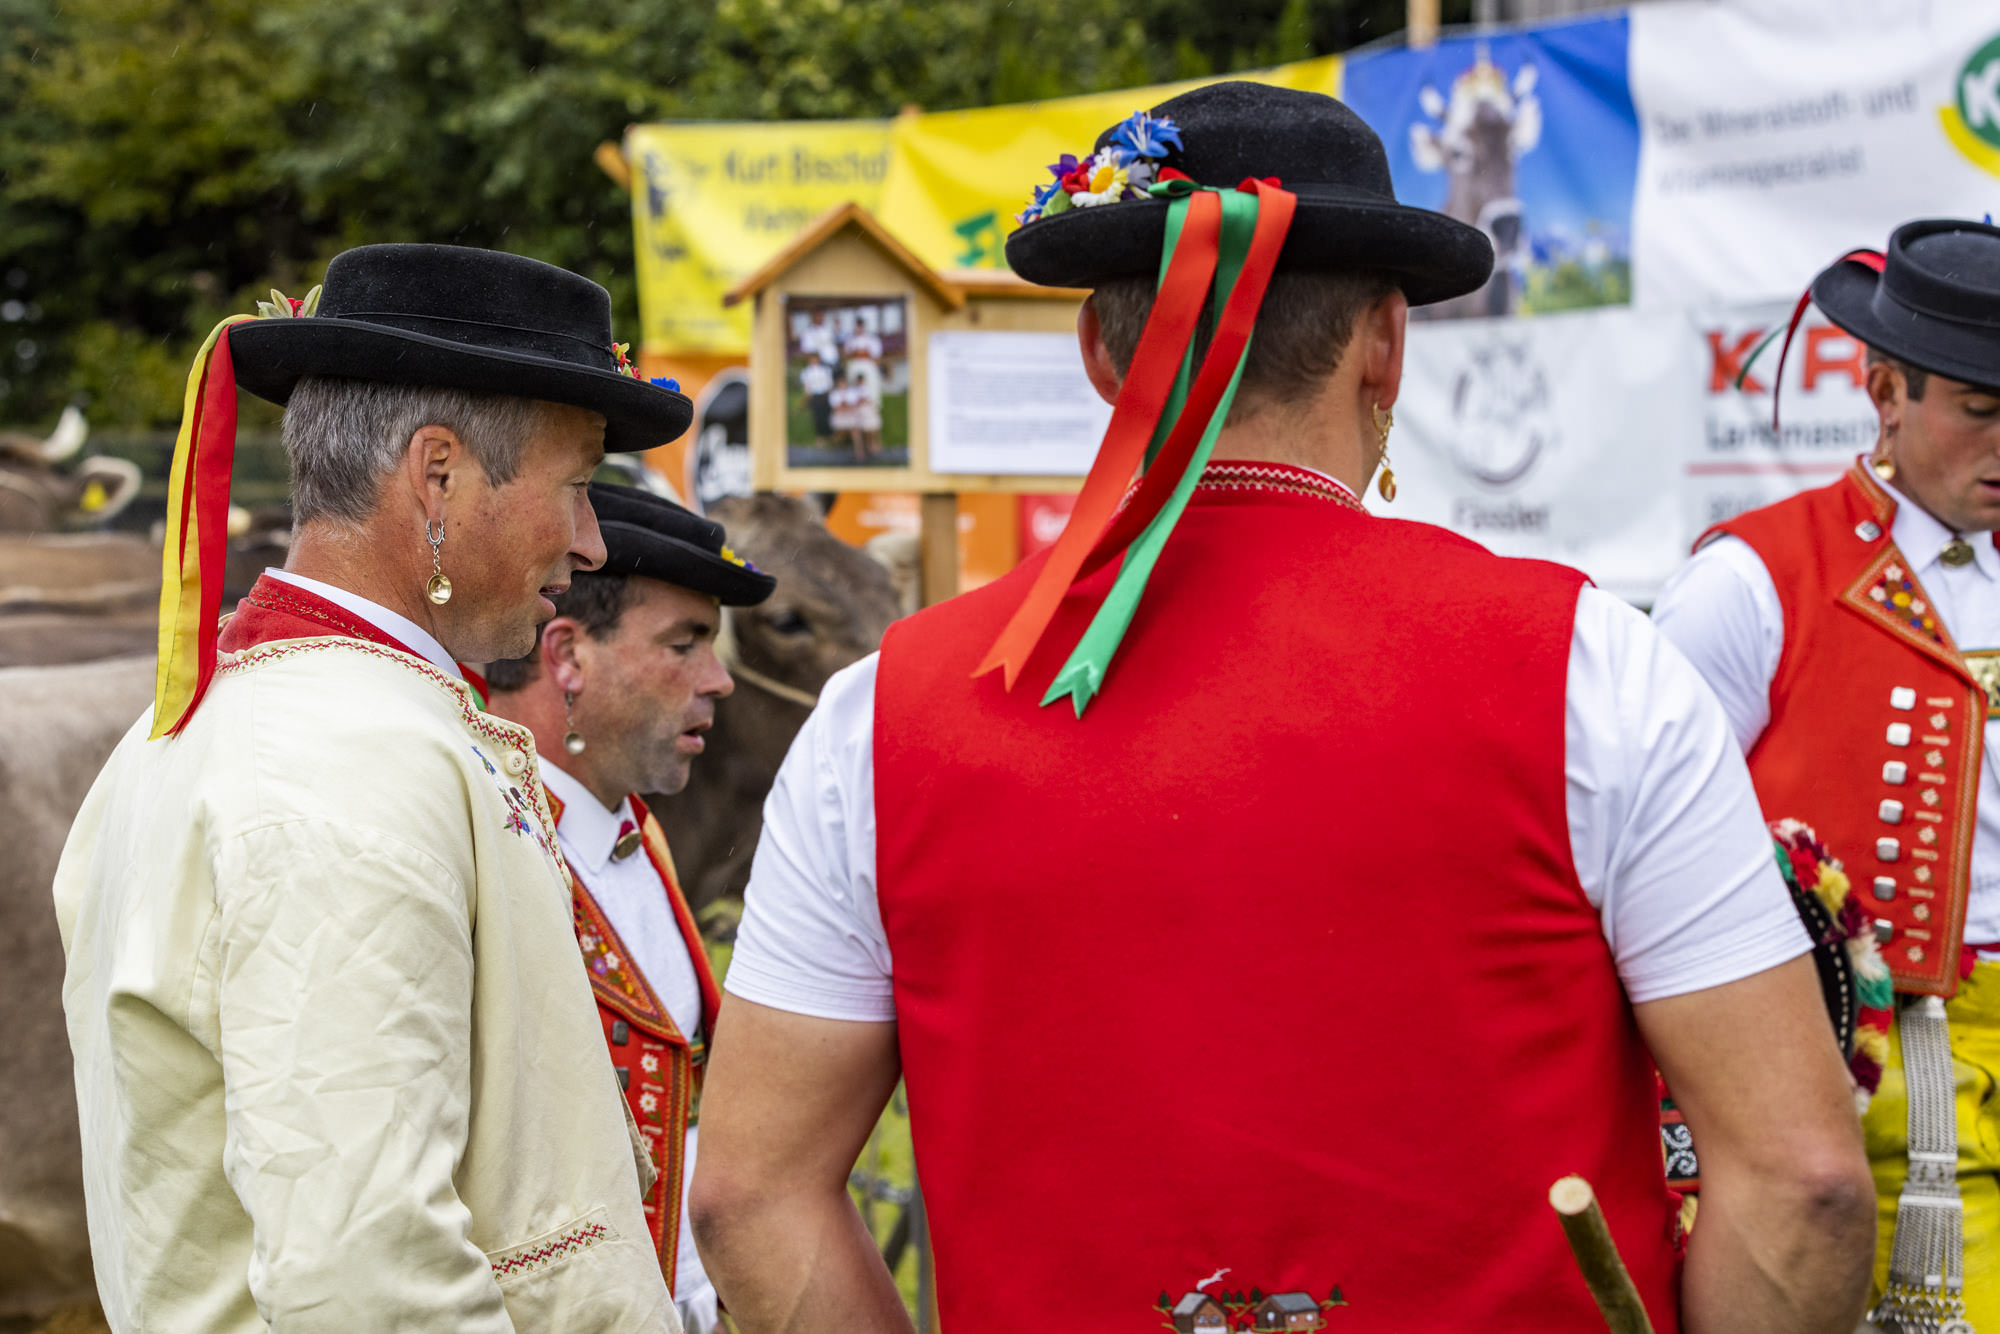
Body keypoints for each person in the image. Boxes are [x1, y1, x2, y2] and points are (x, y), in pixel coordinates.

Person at [690, 83, 1875, 1334]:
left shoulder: (878, 713)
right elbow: (1801, 1185)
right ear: (1386, 344)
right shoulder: (1591, 666)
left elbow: (748, 1193)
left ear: (1098, 352)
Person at [52, 243, 690, 1333]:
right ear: (438, 475)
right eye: (578, 485)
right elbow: (363, 1277)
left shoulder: (247, 720)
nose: (591, 543)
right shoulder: (343, 761)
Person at [1653, 218, 2000, 1333]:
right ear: (1884, 390)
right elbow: (1648, 857)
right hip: (1869, 1073)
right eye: (1981, 410)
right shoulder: (1752, 579)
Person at [483, 482, 777, 1334]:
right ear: (568, 655)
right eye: (685, 644)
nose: (719, 681)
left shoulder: (632, 830)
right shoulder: (483, 839)